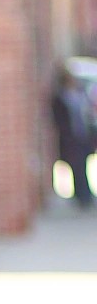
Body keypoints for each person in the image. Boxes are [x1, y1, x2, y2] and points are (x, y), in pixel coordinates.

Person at [51, 63, 95, 208]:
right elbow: (58, 119)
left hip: (83, 135)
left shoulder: (80, 93)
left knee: (84, 164)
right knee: (76, 166)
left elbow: (88, 112)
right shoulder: (60, 98)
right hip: (71, 138)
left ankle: (86, 195)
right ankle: (81, 196)